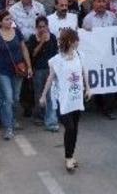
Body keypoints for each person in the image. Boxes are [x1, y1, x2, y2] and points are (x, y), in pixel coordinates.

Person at [39, 28, 91, 172]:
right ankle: (68, 158)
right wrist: (43, 95)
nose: (78, 42)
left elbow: (84, 72)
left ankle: (71, 155)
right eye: (76, 40)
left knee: (75, 129)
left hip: (77, 98)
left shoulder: (80, 55)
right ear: (70, 41)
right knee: (70, 128)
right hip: (64, 99)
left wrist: (88, 88)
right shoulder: (57, 60)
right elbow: (51, 78)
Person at [0, 10, 33, 140]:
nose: (9, 21)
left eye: (10, 19)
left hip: (18, 70)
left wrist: (29, 66)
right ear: (0, 22)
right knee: (8, 98)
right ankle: (8, 127)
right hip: (3, 71)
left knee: (15, 97)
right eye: (7, 19)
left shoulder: (17, 32)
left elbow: (23, 48)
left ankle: (12, 120)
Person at [27, 16, 59, 131]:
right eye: (39, 27)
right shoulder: (32, 38)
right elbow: (33, 54)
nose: (42, 29)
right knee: (39, 95)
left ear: (47, 26)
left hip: (50, 70)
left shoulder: (53, 37)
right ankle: (38, 115)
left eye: (44, 26)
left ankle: (51, 121)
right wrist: (41, 42)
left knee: (50, 95)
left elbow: (56, 54)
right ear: (36, 28)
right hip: (38, 70)